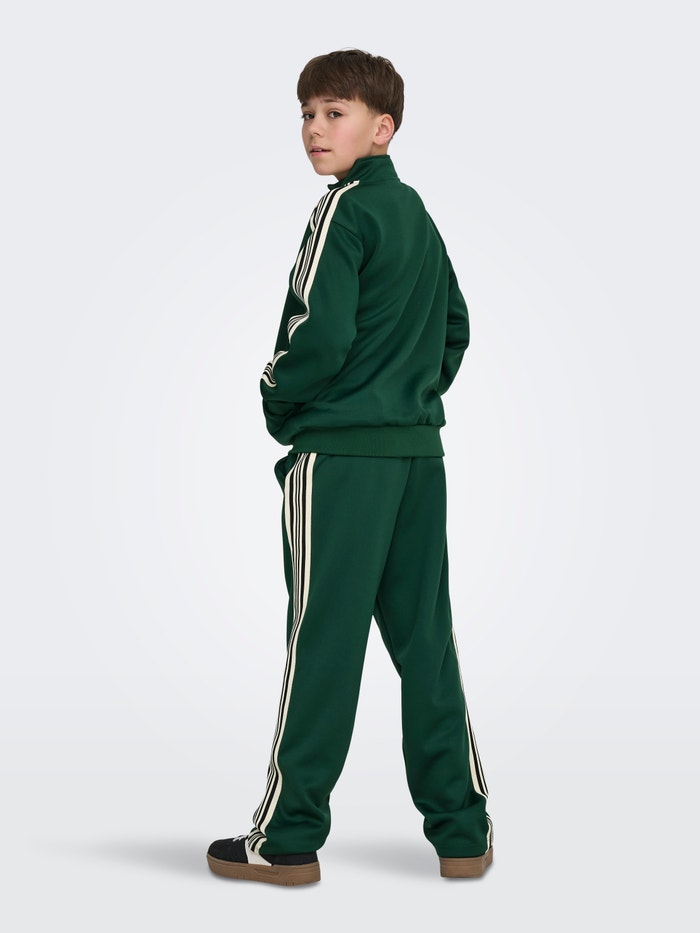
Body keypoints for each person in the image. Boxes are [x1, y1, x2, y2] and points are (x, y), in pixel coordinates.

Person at [207, 49, 493, 886]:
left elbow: (318, 335)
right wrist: (407, 396)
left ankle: (287, 836)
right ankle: (462, 832)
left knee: (322, 642)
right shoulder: (416, 213)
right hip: (418, 460)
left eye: (335, 113)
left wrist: (278, 397)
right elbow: (455, 326)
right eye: (307, 113)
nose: (314, 129)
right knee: (426, 645)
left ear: (382, 127)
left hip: (340, 463)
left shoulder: (344, 209)